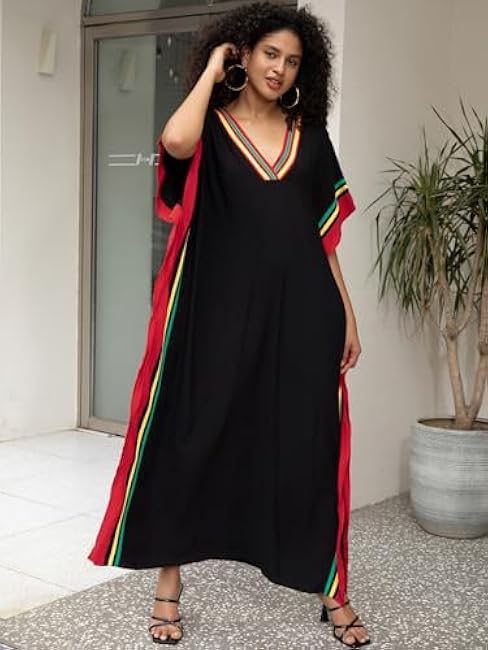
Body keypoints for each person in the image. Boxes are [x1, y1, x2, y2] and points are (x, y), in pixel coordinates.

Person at [88, 2, 370, 647]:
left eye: (292, 60)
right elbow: (175, 143)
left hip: (302, 316)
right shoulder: (211, 128)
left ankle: (331, 591)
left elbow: (323, 239)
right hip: (214, 314)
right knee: (192, 437)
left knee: (308, 447)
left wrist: (348, 314)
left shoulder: (309, 136)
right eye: (270, 53)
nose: (280, 68)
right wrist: (213, 68)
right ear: (243, 52)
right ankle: (168, 585)